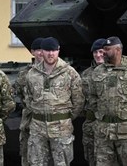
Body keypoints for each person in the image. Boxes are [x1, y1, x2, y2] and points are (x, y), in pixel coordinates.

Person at [25, 37, 84, 166]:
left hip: (61, 128)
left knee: (62, 163)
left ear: (58, 50)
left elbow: (78, 101)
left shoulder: (69, 73)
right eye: (47, 50)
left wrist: (64, 118)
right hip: (38, 128)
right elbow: (28, 99)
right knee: (36, 163)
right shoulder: (32, 73)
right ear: (42, 51)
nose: (50, 54)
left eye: (53, 50)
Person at [89, 36, 127, 166]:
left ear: (118, 50)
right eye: (103, 49)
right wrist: (99, 116)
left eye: (107, 49)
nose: (103, 52)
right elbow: (92, 97)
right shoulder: (98, 71)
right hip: (103, 133)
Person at [13, 37, 43, 166]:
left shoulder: (60, 73)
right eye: (38, 50)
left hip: (51, 124)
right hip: (28, 121)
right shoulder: (24, 74)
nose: (42, 53)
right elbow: (20, 94)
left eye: (45, 50)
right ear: (32, 52)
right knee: (27, 155)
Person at [80, 38, 105, 166]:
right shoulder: (86, 75)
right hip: (90, 126)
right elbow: (78, 99)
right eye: (95, 52)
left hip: (110, 127)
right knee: (92, 160)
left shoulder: (118, 71)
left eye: (101, 51)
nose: (98, 55)